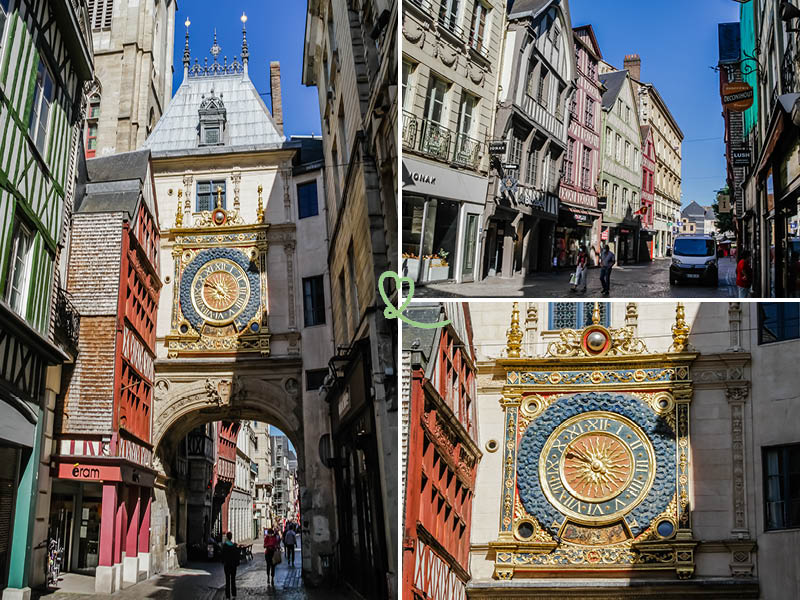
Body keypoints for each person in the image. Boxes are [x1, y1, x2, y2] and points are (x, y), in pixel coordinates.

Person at [220, 532, 239, 600]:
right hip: (233, 566)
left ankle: (228, 596)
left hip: (227, 565)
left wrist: (223, 562)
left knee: (227, 580)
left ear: (227, 537)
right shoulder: (234, 546)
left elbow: (222, 556)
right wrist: (237, 563)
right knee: (233, 579)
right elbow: (237, 556)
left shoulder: (225, 546)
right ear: (231, 537)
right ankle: (234, 594)